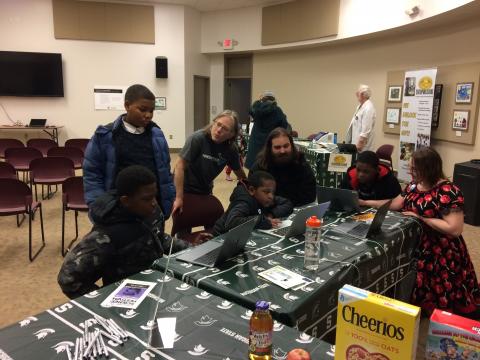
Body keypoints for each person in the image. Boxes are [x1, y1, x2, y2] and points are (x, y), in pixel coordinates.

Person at [57, 166, 191, 299]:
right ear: (125, 201)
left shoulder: (151, 213)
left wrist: (192, 249)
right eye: (146, 199)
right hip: (130, 298)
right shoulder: (107, 234)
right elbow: (68, 278)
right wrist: (105, 301)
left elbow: (158, 237)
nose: (154, 203)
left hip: (157, 284)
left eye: (154, 196)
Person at [390, 147, 480, 318]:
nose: (409, 171)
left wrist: (421, 218)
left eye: (414, 169)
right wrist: (365, 202)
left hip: (442, 250)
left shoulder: (448, 191)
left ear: (429, 168)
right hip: (418, 246)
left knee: (445, 292)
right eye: (410, 167)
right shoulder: (414, 185)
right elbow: (395, 204)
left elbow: (454, 229)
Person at [83, 84, 175, 218]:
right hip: (118, 207)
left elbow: (165, 171)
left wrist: (169, 199)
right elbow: (92, 174)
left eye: (151, 110)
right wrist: (99, 207)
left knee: (152, 238)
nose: (148, 115)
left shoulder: (157, 135)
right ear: (127, 106)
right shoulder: (105, 136)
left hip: (153, 206)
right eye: (143, 109)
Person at [172, 110, 247, 215]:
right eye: (218, 124)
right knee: (184, 224)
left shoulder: (231, 149)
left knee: (212, 221)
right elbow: (179, 166)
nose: (218, 130)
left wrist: (250, 189)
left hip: (205, 189)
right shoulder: (197, 138)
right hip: (185, 188)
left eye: (225, 128)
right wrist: (178, 197)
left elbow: (240, 174)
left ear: (232, 134)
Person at [250, 127, 316, 207]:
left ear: (291, 145)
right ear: (270, 148)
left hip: (296, 211)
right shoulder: (259, 167)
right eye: (277, 147)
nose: (282, 151)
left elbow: (310, 196)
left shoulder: (301, 164)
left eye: (286, 146)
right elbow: (252, 196)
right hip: (267, 213)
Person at [213, 171, 293, 236]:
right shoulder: (244, 202)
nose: (271, 196)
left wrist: (270, 215)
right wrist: (261, 220)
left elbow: (287, 203)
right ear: (252, 190)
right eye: (267, 192)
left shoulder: (264, 198)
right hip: (220, 237)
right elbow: (232, 222)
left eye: (273, 192)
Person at [245, 91, 288, 169]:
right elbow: (284, 126)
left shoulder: (256, 109)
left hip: (255, 142)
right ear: (274, 100)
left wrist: (258, 101)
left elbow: (251, 111)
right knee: (268, 168)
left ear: (263, 99)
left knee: (254, 168)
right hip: (270, 142)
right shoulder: (277, 110)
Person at [346, 84, 376, 152]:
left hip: (362, 147)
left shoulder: (368, 108)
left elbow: (366, 129)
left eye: (358, 93)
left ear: (362, 94)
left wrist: (359, 145)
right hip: (356, 143)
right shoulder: (360, 106)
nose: (356, 94)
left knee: (360, 162)